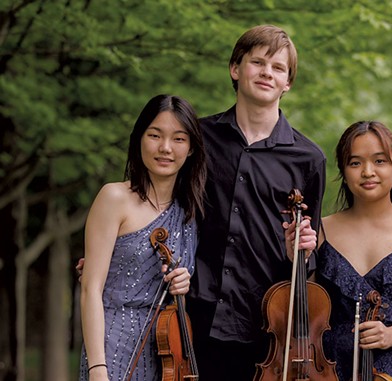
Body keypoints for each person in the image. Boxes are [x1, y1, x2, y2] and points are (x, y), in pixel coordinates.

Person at [185, 25, 325, 381]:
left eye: (278, 68)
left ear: (287, 82)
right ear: (236, 69)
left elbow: (307, 261)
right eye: (257, 62)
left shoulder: (308, 159)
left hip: (264, 330)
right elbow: (163, 207)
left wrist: (303, 251)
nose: (267, 72)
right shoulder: (199, 139)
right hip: (194, 316)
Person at [79, 94, 207, 380]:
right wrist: (98, 367)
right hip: (112, 345)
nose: (165, 148)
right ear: (139, 139)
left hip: (168, 350)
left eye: (178, 139)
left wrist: (184, 281)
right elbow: (90, 289)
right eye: (154, 135)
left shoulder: (190, 211)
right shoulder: (114, 198)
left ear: (191, 149)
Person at [314, 121, 392, 380]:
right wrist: (293, 256)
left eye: (380, 161)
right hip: (329, 367)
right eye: (355, 163)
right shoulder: (320, 231)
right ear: (343, 170)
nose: (368, 171)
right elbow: (307, 308)